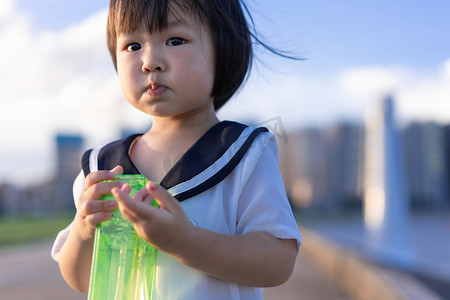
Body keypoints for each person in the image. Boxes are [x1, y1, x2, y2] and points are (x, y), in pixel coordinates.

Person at [51, 0, 302, 299]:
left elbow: (278, 261)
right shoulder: (100, 168)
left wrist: (187, 242)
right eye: (132, 46)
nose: (150, 61)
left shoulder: (245, 153)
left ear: (223, 52)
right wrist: (84, 231)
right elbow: (81, 279)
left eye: (175, 40)